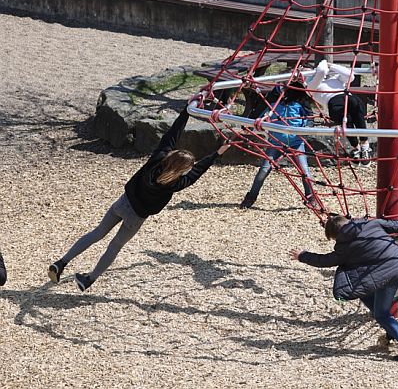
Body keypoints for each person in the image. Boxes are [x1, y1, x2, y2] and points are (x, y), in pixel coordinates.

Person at [48, 106, 230, 292]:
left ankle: (61, 262)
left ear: (171, 156)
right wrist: (218, 153)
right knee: (114, 247)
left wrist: (186, 111)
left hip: (123, 203)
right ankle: (89, 279)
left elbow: (172, 134)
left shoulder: (158, 158)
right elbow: (198, 171)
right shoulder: (177, 183)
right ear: (182, 170)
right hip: (136, 216)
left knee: (97, 233)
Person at [291, 214, 398, 361]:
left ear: (336, 235)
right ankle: (391, 329)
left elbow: (325, 260)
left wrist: (302, 256)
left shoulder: (344, 247)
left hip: (386, 273)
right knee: (364, 292)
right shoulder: (371, 223)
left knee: (381, 314)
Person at [240, 81, 320, 210]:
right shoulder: (273, 100)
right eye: (282, 84)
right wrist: (251, 124)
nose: (283, 87)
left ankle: (311, 197)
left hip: (296, 142)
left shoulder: (299, 100)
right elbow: (261, 114)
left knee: (305, 172)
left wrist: (305, 130)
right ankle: (251, 197)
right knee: (264, 170)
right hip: (276, 142)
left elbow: (309, 118)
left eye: (286, 85)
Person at [306, 58, 371, 164]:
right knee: (347, 121)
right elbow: (321, 71)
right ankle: (356, 147)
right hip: (333, 102)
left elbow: (350, 75)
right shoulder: (311, 87)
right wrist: (323, 63)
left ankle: (364, 144)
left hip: (346, 96)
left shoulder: (335, 78)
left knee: (357, 108)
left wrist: (331, 66)